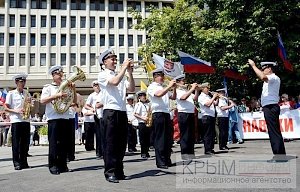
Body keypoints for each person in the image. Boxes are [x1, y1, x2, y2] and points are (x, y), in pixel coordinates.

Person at [98, 48, 135, 183]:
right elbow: (114, 82)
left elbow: (131, 89)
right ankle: (110, 172)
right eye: (111, 59)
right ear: (104, 62)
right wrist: (124, 68)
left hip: (122, 111)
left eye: (115, 59)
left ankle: (119, 170)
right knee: (110, 144)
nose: (114, 61)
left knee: (121, 143)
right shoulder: (103, 74)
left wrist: (129, 73)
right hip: (110, 111)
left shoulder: (119, 74)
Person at [40, 65, 77, 175]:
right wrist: (56, 95)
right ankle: (53, 165)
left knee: (64, 144)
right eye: (58, 74)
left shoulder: (66, 87)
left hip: (65, 117)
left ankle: (63, 165)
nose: (61, 75)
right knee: (54, 144)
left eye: (62, 73)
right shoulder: (48, 88)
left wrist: (73, 89)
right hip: (54, 118)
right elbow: (42, 100)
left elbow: (73, 102)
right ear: (53, 75)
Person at [248, 59, 286, 161]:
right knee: (274, 131)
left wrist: (253, 65)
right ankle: (281, 155)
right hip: (269, 107)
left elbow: (261, 76)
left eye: (264, 68)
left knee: (273, 132)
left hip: (271, 107)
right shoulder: (270, 80)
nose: (262, 70)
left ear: (269, 68)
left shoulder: (273, 77)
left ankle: (279, 156)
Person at [147, 68, 176, 169]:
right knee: (160, 139)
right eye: (161, 76)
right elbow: (159, 94)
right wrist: (169, 86)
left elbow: (173, 97)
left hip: (166, 113)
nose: (163, 78)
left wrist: (174, 88)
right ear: (155, 77)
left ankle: (167, 160)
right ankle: (160, 162)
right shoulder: (152, 87)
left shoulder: (164, 87)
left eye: (162, 76)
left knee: (168, 139)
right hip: (158, 113)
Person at [4, 73, 31, 170]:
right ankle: (16, 162)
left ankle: (24, 162)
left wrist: (30, 104)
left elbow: (29, 106)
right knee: (16, 143)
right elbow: (5, 108)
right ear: (16, 82)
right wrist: (16, 110)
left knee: (25, 142)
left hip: (25, 120)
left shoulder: (27, 93)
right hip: (16, 120)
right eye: (21, 82)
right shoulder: (11, 93)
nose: (23, 83)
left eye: (24, 81)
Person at [174, 74, 199, 160]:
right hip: (183, 113)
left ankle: (191, 153)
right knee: (185, 134)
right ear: (178, 82)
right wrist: (192, 89)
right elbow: (183, 98)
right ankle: (185, 153)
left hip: (190, 113)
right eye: (182, 81)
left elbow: (195, 99)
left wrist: (196, 90)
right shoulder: (177, 91)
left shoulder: (187, 91)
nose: (184, 82)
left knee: (191, 134)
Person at [198, 82, 218, 155]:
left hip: (211, 116)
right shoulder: (201, 97)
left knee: (212, 134)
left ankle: (211, 148)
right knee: (207, 134)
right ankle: (207, 149)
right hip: (206, 116)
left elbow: (215, 104)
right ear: (203, 88)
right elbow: (208, 104)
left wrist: (217, 98)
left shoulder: (208, 96)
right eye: (207, 88)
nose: (208, 89)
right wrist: (213, 97)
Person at [134, 90, 151, 159]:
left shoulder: (148, 104)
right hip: (142, 123)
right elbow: (135, 114)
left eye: (144, 95)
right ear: (139, 98)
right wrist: (143, 118)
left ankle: (147, 152)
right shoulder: (139, 104)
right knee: (143, 139)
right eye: (141, 96)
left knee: (148, 139)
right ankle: (143, 153)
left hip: (148, 123)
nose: (143, 97)